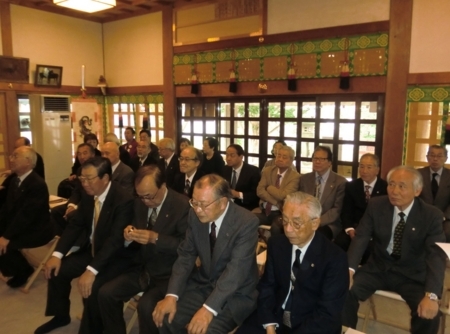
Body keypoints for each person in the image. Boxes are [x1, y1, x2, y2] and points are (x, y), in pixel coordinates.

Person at [34, 157, 135, 334]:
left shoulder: (123, 199)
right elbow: (76, 225)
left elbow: (115, 241)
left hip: (116, 257)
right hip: (93, 250)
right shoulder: (89, 194)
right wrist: (57, 255)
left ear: (105, 178)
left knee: (92, 287)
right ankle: (60, 315)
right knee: (58, 270)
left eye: (89, 179)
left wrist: (91, 270)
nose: (84, 183)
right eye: (82, 178)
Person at [342, 166, 446, 334]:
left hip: (412, 275)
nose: (394, 191)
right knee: (343, 291)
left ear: (417, 190)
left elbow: (436, 256)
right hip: (378, 268)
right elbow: (360, 238)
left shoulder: (431, 215)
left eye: (402, 186)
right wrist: (349, 270)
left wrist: (432, 295)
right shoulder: (377, 205)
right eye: (391, 184)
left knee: (429, 314)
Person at [152, 174, 259, 334]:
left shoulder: (246, 222)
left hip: (235, 294)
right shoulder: (194, 215)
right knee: (167, 319)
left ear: (223, 203)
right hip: (203, 286)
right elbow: (186, 256)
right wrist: (171, 295)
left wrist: (209, 309)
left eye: (203, 204)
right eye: (194, 202)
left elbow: (235, 272)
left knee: (205, 331)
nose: (197, 210)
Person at [237, 192, 348, 334]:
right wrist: (269, 326)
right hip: (275, 316)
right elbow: (267, 287)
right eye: (284, 221)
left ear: (315, 223)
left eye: (296, 223)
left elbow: (328, 313)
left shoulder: (335, 258)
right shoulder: (277, 244)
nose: (288, 230)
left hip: (312, 325)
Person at [98, 165, 190, 334]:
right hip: (142, 268)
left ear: (162, 187)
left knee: (146, 307)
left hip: (168, 273)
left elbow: (187, 247)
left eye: (149, 196)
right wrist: (129, 233)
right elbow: (134, 227)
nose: (145, 201)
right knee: (106, 294)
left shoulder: (182, 206)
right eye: (140, 196)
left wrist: (155, 238)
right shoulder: (140, 202)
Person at [0, 146, 54, 288]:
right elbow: (7, 209)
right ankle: (12, 268)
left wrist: (6, 236)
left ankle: (24, 271)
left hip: (36, 230)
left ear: (28, 161)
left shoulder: (37, 184)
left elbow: (27, 215)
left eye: (15, 156)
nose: (11, 159)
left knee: (6, 243)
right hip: (21, 225)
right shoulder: (14, 180)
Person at [334, 153, 387, 253]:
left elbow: (385, 216)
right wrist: (350, 229)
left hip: (375, 230)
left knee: (372, 248)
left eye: (369, 167)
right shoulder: (351, 186)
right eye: (361, 166)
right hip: (355, 227)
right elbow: (346, 211)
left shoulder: (385, 187)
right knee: (340, 243)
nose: (364, 171)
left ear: (377, 169)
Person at [298, 146, 347, 240]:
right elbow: (301, 201)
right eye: (315, 158)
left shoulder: (340, 182)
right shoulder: (304, 179)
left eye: (322, 159)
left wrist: (317, 222)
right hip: (306, 220)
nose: (317, 162)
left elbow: (336, 210)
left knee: (317, 236)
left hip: (328, 223)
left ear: (329, 163)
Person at [52, 143, 96, 235]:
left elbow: (92, 195)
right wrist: (71, 205)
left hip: (91, 204)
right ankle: (63, 238)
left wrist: (76, 207)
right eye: (79, 154)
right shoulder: (80, 169)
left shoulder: (97, 169)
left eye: (85, 153)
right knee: (55, 211)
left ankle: (77, 241)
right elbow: (77, 191)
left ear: (92, 155)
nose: (81, 156)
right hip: (79, 202)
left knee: (73, 215)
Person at [256, 145, 300, 233]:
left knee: (276, 228)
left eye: (284, 157)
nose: (280, 159)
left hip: (281, 213)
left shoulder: (295, 176)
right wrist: (276, 202)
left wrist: (269, 187)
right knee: (247, 220)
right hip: (264, 211)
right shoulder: (268, 171)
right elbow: (259, 191)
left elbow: (283, 196)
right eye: (278, 155)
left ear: (291, 161)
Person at [417, 145, 450, 241]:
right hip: (421, 215)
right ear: (427, 157)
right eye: (432, 155)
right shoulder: (418, 174)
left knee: (448, 233)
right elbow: (413, 197)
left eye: (439, 156)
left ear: (446, 158)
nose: (435, 159)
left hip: (445, 218)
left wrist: (444, 216)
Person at [222, 144, 260, 211]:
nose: (228, 158)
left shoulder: (253, 171)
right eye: (227, 155)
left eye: (232, 155)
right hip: (226, 205)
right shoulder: (224, 169)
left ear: (241, 157)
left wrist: (238, 194)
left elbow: (255, 195)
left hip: (245, 207)